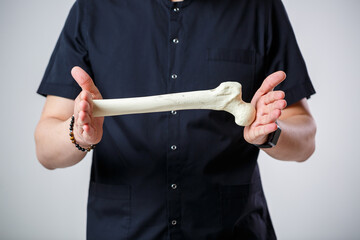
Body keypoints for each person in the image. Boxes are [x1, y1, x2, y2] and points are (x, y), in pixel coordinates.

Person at [34, 0, 316, 239]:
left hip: (233, 230)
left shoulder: (259, 7)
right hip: (122, 230)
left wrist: (270, 131)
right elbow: (46, 149)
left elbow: (305, 138)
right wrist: (77, 135)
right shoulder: (93, 8)